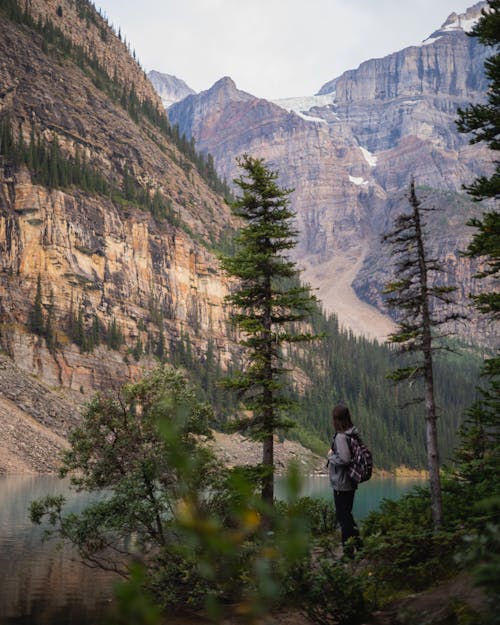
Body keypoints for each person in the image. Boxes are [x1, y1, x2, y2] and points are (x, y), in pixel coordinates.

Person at [327, 403, 362, 557]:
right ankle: (359, 547)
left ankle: (349, 553)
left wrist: (330, 456)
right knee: (347, 516)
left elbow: (345, 459)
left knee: (344, 519)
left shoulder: (341, 436)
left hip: (342, 484)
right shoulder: (351, 432)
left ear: (337, 419)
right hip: (349, 482)